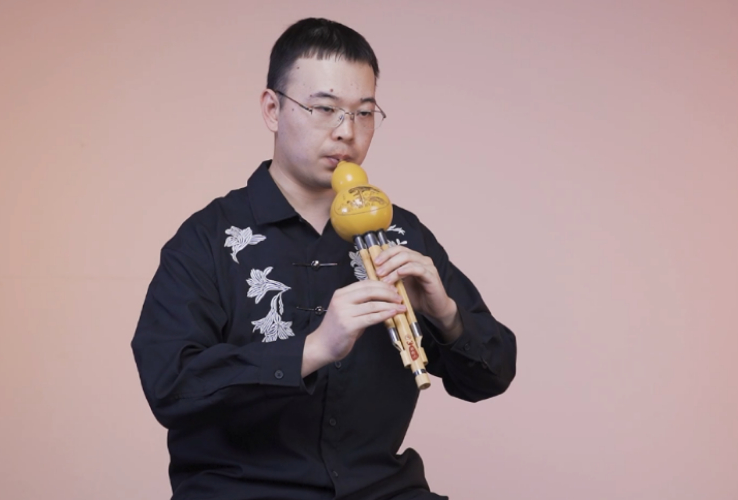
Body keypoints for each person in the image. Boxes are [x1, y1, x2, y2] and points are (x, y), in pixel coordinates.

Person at [131, 17, 517, 500]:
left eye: (364, 113)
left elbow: (491, 377)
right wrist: (313, 349)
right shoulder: (207, 239)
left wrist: (446, 316)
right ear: (272, 109)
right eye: (325, 109)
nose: (346, 133)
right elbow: (171, 386)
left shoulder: (401, 232)